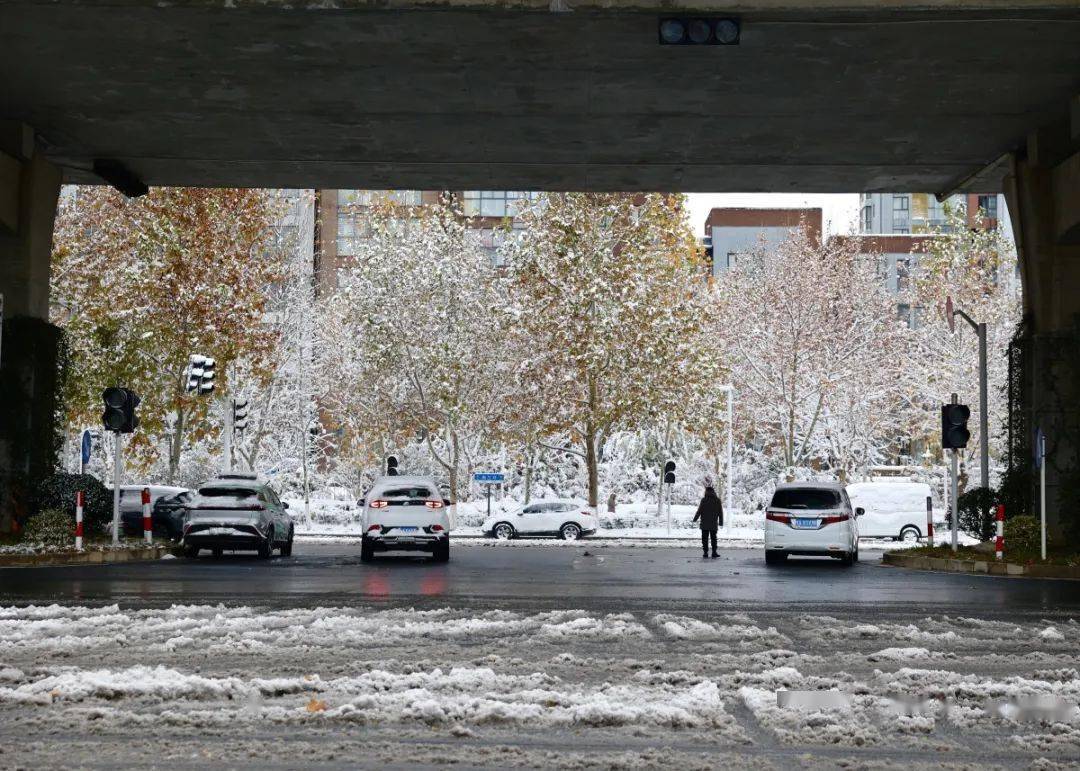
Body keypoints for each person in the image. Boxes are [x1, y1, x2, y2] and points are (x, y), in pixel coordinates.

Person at [692, 485, 723, 559]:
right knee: (714, 538)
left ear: (706, 492)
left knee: (704, 539)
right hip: (713, 523)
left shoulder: (704, 500)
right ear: (713, 492)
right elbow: (720, 512)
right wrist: (721, 522)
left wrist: (695, 519)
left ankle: (705, 553)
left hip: (704, 523)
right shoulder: (717, 500)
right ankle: (714, 552)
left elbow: (699, 511)